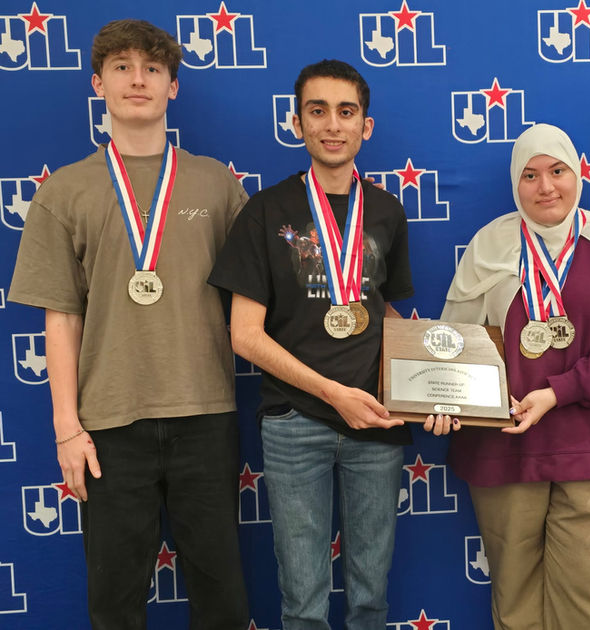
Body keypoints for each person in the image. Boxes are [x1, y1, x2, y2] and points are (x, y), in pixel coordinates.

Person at [8, 19, 250, 630]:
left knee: (223, 600)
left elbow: (258, 295)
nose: (137, 79)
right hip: (108, 427)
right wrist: (67, 428)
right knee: (114, 603)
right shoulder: (64, 192)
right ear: (98, 84)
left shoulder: (216, 184)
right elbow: (61, 318)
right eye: (122, 67)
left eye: (152, 68)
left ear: (173, 86)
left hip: (205, 414)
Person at [208, 59, 413, 630]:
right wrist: (332, 393)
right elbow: (245, 335)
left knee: (371, 596)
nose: (332, 124)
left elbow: (388, 314)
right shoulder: (265, 211)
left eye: (346, 112)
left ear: (366, 126)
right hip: (295, 422)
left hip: (376, 420)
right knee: (303, 602)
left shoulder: (388, 211)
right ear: (297, 123)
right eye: (317, 111)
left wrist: (429, 389)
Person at [435, 123, 590, 630]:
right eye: (530, 175)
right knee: (514, 598)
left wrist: (556, 393)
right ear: (515, 183)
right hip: (504, 443)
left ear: (577, 174)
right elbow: (454, 343)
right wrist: (443, 399)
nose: (546, 187)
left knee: (583, 595)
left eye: (557, 171)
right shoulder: (488, 245)